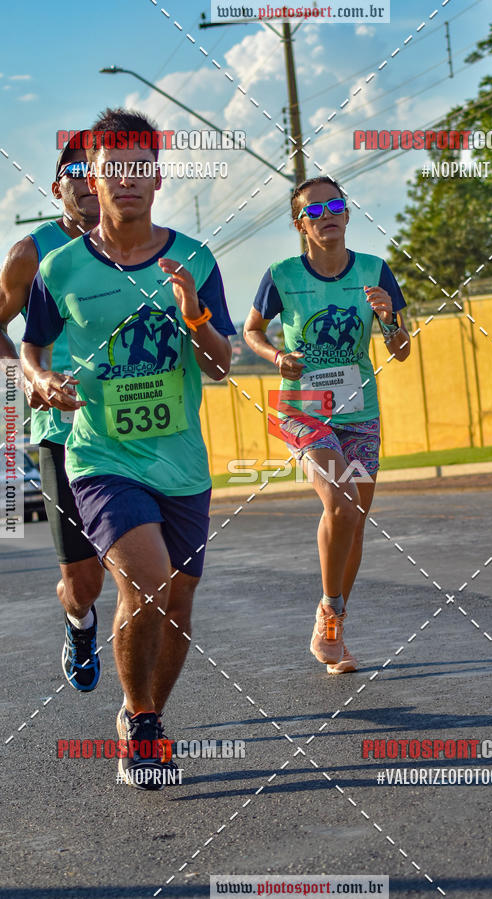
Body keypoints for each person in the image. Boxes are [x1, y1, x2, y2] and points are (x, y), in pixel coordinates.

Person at [21, 107, 235, 789]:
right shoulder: (57, 268)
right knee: (146, 581)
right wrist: (41, 379)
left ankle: (144, 711)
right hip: (100, 456)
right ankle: (143, 727)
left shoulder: (194, 259)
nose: (128, 180)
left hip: (182, 462)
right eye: (115, 169)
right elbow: (31, 345)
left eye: (142, 168)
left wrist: (193, 312)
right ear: (96, 177)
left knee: (180, 602)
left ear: (158, 178)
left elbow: (222, 367)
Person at [244, 176, 410, 675]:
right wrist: (276, 355)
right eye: (315, 211)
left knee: (353, 520)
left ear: (347, 214)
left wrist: (390, 321)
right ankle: (329, 613)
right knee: (339, 503)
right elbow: (250, 331)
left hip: (359, 411)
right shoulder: (281, 275)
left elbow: (400, 351)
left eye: (335, 205)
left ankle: (333, 617)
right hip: (302, 410)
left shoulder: (375, 270)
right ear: (301, 224)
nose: (327, 214)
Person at [0, 135, 105, 692]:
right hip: (61, 429)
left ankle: (141, 710)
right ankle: (79, 621)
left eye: (100, 170)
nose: (89, 181)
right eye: (76, 171)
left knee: (142, 565)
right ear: (56, 185)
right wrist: (26, 379)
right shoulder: (30, 253)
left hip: (130, 430)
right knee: (84, 580)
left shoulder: (136, 247)